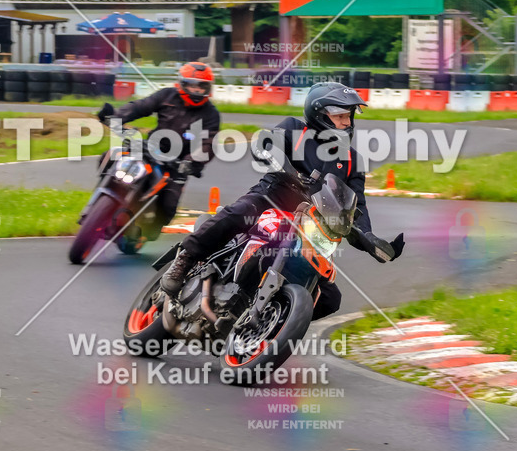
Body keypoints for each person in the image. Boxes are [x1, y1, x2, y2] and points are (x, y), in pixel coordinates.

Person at [161, 81, 405, 320]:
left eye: (349, 116)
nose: (348, 123)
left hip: (312, 226)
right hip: (273, 197)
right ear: (320, 114)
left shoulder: (353, 161)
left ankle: (271, 327)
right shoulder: (294, 129)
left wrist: (371, 241)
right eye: (340, 116)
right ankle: (186, 259)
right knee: (239, 212)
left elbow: (357, 206)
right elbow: (267, 142)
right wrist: (279, 161)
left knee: (330, 299)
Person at [95, 61, 221, 233]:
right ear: (183, 84)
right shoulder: (167, 95)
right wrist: (116, 118)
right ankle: (100, 198)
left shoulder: (211, 114)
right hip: (150, 148)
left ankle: (145, 233)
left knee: (168, 207)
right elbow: (140, 107)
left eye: (202, 87)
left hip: (179, 163)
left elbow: (209, 143)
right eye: (193, 86)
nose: (197, 91)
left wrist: (191, 162)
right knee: (109, 157)